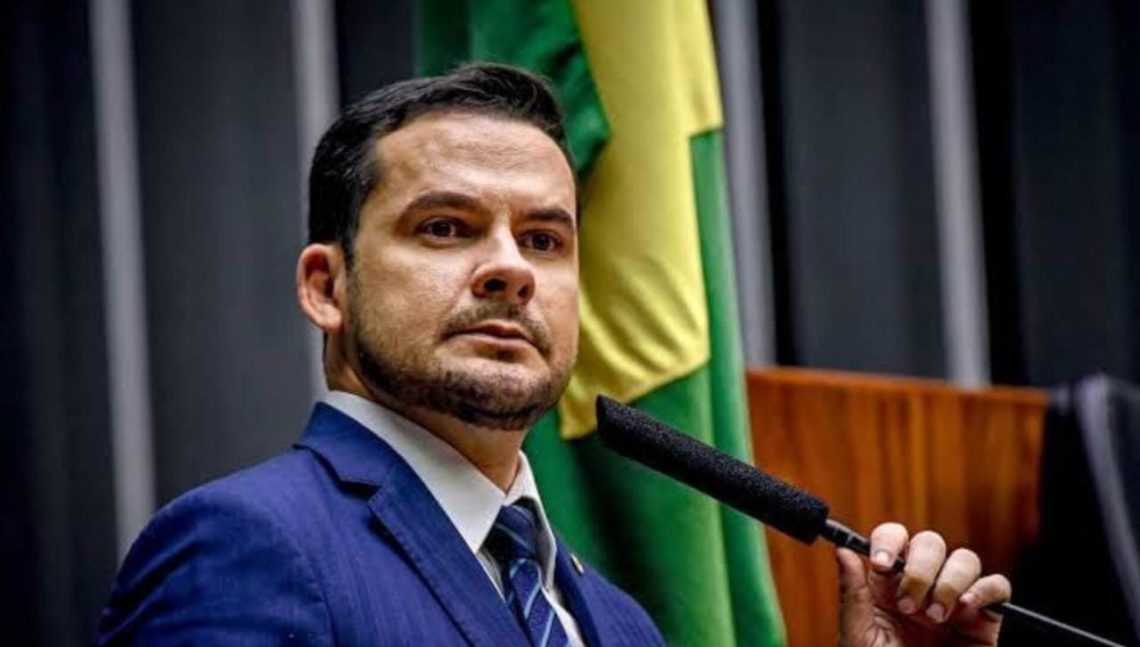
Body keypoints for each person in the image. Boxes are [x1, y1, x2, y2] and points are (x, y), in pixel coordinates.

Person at [95, 63, 1012, 646]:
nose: (510, 268)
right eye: (445, 227)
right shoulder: (244, 544)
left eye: (544, 239)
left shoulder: (620, 621)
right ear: (326, 285)